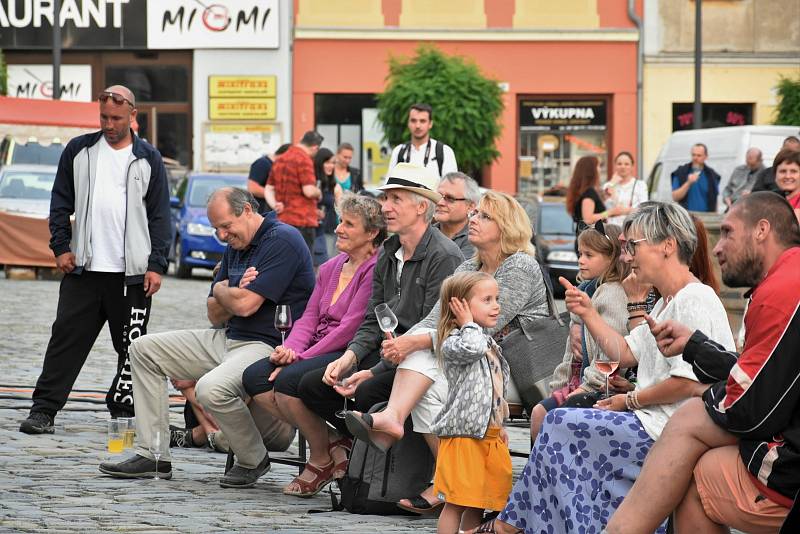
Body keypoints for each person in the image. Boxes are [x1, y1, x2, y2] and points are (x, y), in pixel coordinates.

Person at [482, 201, 736, 534]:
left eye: (634, 246)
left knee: (559, 423)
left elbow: (686, 385)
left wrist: (629, 400)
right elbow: (627, 352)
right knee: (561, 425)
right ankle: (522, 526)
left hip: (670, 432)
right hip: (657, 424)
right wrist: (588, 312)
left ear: (667, 246)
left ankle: (510, 527)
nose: (627, 256)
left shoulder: (694, 299)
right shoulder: (669, 301)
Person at [343, 191, 550, 514]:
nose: (472, 219)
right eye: (475, 213)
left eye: (483, 216)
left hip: (511, 370)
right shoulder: (470, 265)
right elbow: (433, 322)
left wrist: (414, 343)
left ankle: (443, 477)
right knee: (423, 376)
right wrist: (385, 360)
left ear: (506, 226)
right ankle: (452, 481)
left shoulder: (520, 266)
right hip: (467, 360)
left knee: (425, 361)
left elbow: (483, 332)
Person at [607, 192, 800, 534]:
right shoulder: (788, 280)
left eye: (727, 232)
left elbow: (750, 408)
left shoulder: (781, 292)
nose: (716, 247)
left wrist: (699, 391)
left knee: (693, 455)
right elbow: (766, 376)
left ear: (762, 230)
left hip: (790, 470)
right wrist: (696, 346)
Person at [99, 187, 313, 488]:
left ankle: (253, 459)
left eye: (226, 226)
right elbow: (214, 313)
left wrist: (225, 289)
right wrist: (233, 287)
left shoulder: (282, 240)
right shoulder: (235, 247)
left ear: (248, 211)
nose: (223, 236)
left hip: (267, 344)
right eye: (217, 229)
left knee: (210, 389)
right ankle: (153, 455)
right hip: (228, 337)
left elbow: (244, 305)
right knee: (143, 349)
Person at [19, 85, 171, 434]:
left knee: (132, 347)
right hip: (84, 270)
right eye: (103, 117)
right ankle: (43, 411)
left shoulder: (149, 158)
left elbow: (160, 217)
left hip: (130, 273)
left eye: (116, 118)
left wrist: (156, 265)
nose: (109, 124)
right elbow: (60, 203)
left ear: (133, 116)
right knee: (65, 341)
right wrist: (60, 247)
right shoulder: (80, 150)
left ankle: (124, 411)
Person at [294, 162, 463, 477]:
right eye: (386, 198)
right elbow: (374, 315)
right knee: (313, 385)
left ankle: (382, 474)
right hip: (391, 352)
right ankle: (349, 452)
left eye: (396, 199)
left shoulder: (444, 255)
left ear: (421, 206)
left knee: (367, 392)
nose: (385, 207)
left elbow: (432, 326)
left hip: (425, 356)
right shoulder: (389, 250)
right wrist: (350, 357)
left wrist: (372, 371)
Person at [240, 194, 386, 497]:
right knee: (254, 377)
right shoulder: (331, 267)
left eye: (349, 224)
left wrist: (301, 358)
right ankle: (333, 443)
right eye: (340, 221)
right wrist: (289, 350)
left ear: (372, 233)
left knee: (289, 381)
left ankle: (319, 459)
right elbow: (308, 318)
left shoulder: (375, 269)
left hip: (346, 351)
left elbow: (350, 328)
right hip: (313, 348)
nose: (340, 229)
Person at [531, 221, 630, 440]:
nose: (581, 260)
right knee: (540, 412)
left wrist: (579, 392)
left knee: (541, 415)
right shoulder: (587, 291)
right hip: (579, 381)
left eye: (589, 255)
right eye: (580, 253)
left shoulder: (611, 294)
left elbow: (610, 355)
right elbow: (570, 355)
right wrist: (558, 387)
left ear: (612, 257)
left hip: (598, 386)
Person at [430, 272, 512, 534]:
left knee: (479, 502)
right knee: (456, 503)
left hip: (489, 434)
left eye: (496, 298)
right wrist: (467, 323)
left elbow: (496, 389)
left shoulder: (486, 341)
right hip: (464, 436)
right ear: (459, 306)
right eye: (487, 299)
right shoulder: (454, 342)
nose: (496, 305)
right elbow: (472, 348)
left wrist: (502, 424)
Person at [265, 131, 324, 251]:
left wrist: (275, 205)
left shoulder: (280, 159)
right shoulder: (304, 159)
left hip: (282, 221)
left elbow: (269, 188)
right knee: (303, 264)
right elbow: (308, 191)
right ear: (315, 147)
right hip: (303, 220)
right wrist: (318, 192)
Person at [566, 155, 627, 251]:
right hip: (590, 241)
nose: (600, 170)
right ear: (591, 171)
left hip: (585, 240)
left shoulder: (582, 192)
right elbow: (588, 219)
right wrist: (611, 212)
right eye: (598, 166)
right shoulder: (589, 192)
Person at [389, 103, 458, 178]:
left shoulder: (444, 151)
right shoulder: (398, 151)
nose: (417, 126)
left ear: (430, 124)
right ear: (408, 123)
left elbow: (451, 187)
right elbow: (388, 185)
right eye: (413, 121)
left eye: (422, 121)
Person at [434, 171, 480, 259]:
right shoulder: (425, 233)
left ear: (470, 206)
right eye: (438, 196)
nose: (440, 202)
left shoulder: (475, 238)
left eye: (450, 198)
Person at [313, 147, 344, 265]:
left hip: (329, 230)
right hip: (312, 230)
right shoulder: (311, 183)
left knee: (328, 265)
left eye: (333, 162)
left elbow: (341, 210)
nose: (331, 166)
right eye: (327, 162)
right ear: (319, 163)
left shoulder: (334, 186)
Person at [671, 143, 722, 212]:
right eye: (693, 155)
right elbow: (675, 197)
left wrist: (715, 217)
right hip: (686, 216)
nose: (695, 158)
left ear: (706, 157)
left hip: (707, 218)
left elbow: (715, 200)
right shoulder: (680, 172)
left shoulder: (712, 176)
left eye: (699, 155)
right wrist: (688, 183)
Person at [603, 151, 648, 226]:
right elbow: (604, 209)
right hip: (611, 229)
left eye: (626, 164)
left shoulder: (640, 185)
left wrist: (623, 211)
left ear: (632, 166)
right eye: (619, 164)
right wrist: (612, 183)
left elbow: (644, 209)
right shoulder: (608, 186)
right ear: (615, 166)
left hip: (632, 227)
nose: (622, 167)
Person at [246, 144, 291, 214]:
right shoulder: (262, 164)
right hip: (262, 211)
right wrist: (274, 195)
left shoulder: (280, 166)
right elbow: (253, 188)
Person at [774, 148, 800, 222]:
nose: (787, 176)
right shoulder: (770, 198)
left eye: (793, 171)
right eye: (782, 171)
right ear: (775, 175)